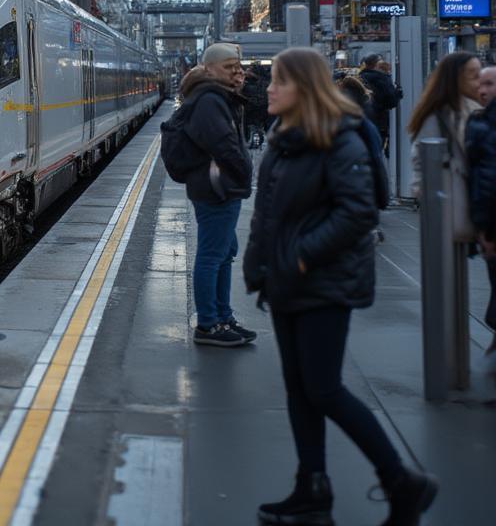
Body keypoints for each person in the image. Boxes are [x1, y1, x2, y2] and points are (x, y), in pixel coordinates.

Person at [244, 48, 437, 526]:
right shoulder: (283, 137)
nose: (268, 88)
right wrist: (260, 264)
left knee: (324, 388)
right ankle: (311, 489)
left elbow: (358, 211)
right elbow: (267, 212)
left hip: (323, 280)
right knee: (298, 389)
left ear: (304, 88)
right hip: (286, 279)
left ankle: (402, 480)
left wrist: (303, 255)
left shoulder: (339, 137)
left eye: (279, 81)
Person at [178, 41, 255, 347]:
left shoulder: (216, 96)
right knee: (212, 255)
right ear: (209, 69)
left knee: (224, 252)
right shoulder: (209, 100)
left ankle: (223, 317)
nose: (236, 72)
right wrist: (243, 172)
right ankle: (208, 324)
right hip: (217, 187)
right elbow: (223, 144)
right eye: (228, 67)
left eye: (238, 67)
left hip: (218, 185)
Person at [407, 52, 481, 245]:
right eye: (474, 76)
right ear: (456, 79)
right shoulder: (440, 117)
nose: (479, 82)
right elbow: (422, 161)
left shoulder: (475, 109)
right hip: (455, 205)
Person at [463, 64, 496, 353]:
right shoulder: (478, 121)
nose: (482, 90)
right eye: (480, 83)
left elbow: (487, 178)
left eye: (489, 84)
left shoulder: (482, 124)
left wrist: (484, 226)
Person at [359, 53, 402, 154]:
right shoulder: (382, 79)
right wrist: (398, 92)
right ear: (377, 65)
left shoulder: (360, 77)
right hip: (379, 123)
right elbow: (391, 101)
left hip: (364, 122)